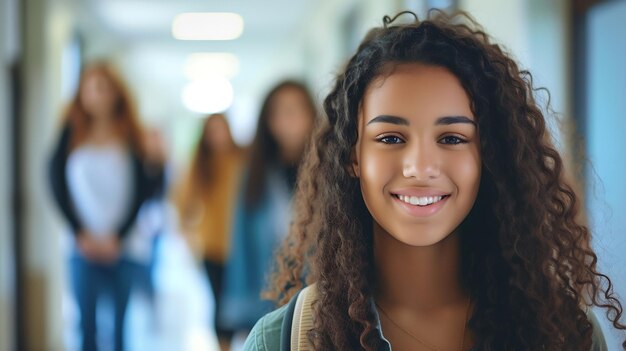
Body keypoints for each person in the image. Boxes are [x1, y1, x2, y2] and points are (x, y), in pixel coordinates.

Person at [243, 11, 626, 351]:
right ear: (353, 157)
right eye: (391, 138)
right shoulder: (283, 340)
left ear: (488, 156)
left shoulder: (562, 334)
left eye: (452, 139)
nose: (420, 167)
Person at [48, 62, 164, 351]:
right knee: (85, 325)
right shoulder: (70, 135)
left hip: (121, 245)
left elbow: (143, 191)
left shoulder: (130, 136)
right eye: (92, 88)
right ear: (82, 94)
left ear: (116, 94)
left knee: (119, 327)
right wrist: (79, 232)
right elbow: (56, 184)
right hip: (82, 246)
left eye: (104, 88)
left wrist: (118, 236)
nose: (98, 95)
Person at [219, 81, 316, 336]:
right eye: (280, 112)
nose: (289, 119)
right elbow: (241, 243)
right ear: (268, 121)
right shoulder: (254, 173)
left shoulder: (329, 171)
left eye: (295, 109)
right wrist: (240, 307)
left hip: (319, 295)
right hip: (268, 294)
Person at [172, 113, 245, 351]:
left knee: (245, 301)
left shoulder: (242, 159)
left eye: (221, 129)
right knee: (220, 304)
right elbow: (180, 201)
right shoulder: (199, 166)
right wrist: (187, 234)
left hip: (242, 247)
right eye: (212, 131)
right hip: (212, 247)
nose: (218, 136)